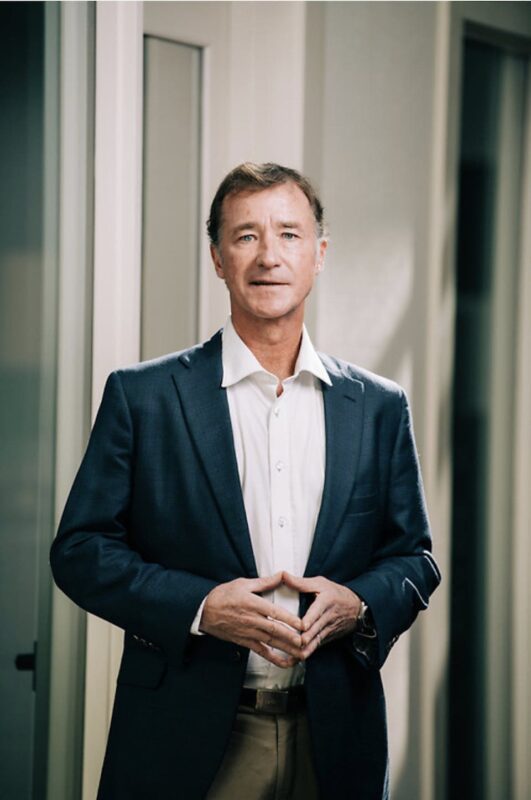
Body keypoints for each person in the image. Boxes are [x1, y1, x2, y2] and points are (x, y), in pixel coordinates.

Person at [50, 162, 440, 800]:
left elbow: (414, 558)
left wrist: (362, 604)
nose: (269, 256)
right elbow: (80, 551)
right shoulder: (143, 396)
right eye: (246, 236)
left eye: (288, 234)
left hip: (338, 735)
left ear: (319, 254)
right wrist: (201, 609)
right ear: (217, 258)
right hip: (188, 734)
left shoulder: (378, 405)